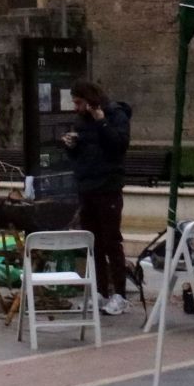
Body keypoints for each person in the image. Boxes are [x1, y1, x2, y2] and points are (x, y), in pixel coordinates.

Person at [61, 81, 132, 315]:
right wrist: (71, 146)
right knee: (94, 242)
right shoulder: (81, 121)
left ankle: (120, 294)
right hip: (86, 186)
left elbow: (118, 146)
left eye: (79, 102)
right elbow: (81, 154)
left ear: (90, 100)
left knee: (111, 240)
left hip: (108, 186)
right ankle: (100, 291)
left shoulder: (115, 115)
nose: (76, 107)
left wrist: (102, 121)